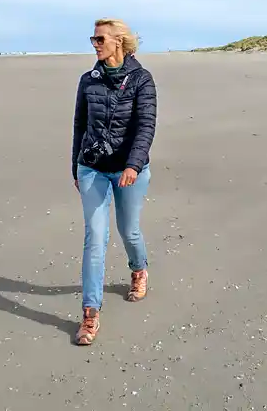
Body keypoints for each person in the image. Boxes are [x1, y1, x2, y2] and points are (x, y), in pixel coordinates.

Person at [70, 18, 158, 346]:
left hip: (128, 171)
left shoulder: (141, 80)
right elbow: (79, 124)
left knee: (129, 230)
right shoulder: (88, 80)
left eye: (100, 39)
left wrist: (133, 165)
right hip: (92, 167)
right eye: (92, 39)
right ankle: (90, 313)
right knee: (95, 237)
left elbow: (145, 125)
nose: (94, 44)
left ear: (119, 41)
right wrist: (75, 167)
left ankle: (139, 270)